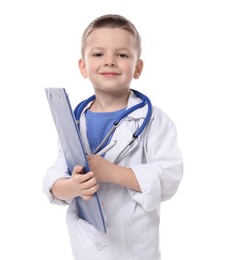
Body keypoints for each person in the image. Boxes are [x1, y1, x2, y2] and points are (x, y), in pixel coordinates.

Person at [43, 14, 183, 260]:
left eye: (122, 55)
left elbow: (170, 177)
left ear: (137, 67)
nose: (109, 61)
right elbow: (56, 179)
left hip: (135, 249)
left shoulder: (153, 121)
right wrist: (72, 187)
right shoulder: (74, 121)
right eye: (98, 54)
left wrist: (111, 173)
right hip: (85, 248)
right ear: (83, 67)